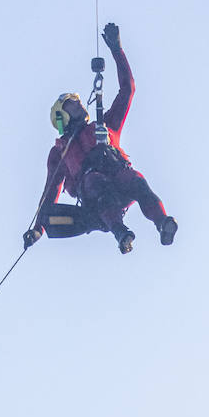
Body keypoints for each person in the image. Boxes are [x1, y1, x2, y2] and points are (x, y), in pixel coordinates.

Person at [23, 23, 177, 255]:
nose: (80, 105)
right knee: (94, 181)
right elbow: (51, 190)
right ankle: (121, 233)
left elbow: (128, 90)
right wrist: (38, 229)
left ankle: (163, 222)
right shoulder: (60, 152)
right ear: (61, 116)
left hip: (119, 180)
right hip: (96, 202)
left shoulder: (105, 125)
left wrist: (117, 49)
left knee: (135, 179)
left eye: (78, 102)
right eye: (72, 105)